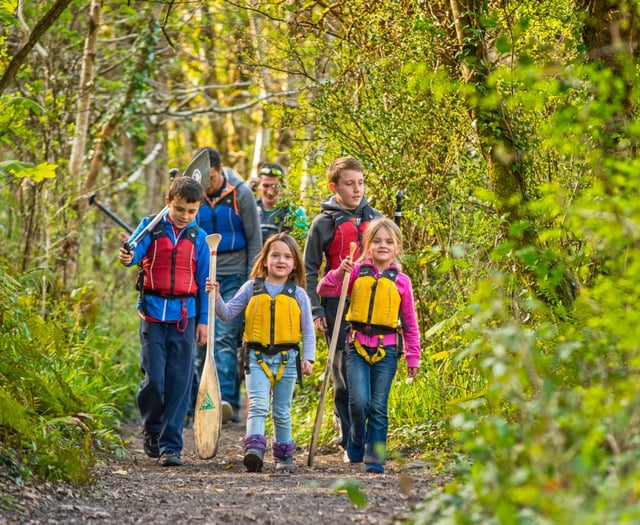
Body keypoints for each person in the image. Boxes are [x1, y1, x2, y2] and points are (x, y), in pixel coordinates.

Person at [118, 177, 210, 467]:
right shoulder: (151, 226)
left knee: (179, 383)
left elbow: (206, 282)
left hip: (185, 315)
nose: (185, 216)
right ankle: (152, 430)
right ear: (168, 202)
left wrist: (204, 321)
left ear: (198, 210)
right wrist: (127, 256)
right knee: (155, 380)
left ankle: (172, 445)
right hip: (153, 314)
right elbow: (133, 254)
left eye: (191, 211)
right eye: (180, 209)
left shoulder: (200, 239)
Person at [317, 218, 421, 474]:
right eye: (376, 241)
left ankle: (375, 456)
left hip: (386, 350)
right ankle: (355, 438)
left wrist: (412, 357)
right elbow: (324, 288)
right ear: (367, 245)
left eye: (389, 241)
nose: (382, 245)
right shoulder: (355, 271)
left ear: (397, 247)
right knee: (359, 402)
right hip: (356, 347)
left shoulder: (402, 281)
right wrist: (339, 272)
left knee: (378, 405)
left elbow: (409, 323)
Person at [207, 233, 315, 473]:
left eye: (287, 256)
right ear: (265, 260)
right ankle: (254, 450)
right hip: (256, 358)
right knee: (257, 405)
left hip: (287, 360)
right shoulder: (251, 287)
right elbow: (226, 313)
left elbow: (308, 330)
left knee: (281, 410)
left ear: (295, 263)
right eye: (274, 255)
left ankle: (283, 456)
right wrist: (215, 296)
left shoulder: (298, 294)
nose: (280, 260)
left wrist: (308, 357)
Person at [303, 156, 381, 454]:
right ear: (334, 187)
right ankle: (348, 435)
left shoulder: (376, 219)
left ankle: (370, 434)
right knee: (343, 371)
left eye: (360, 183)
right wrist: (315, 309)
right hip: (336, 302)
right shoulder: (323, 223)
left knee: (371, 368)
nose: (357, 189)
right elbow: (309, 270)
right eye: (349, 184)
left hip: (372, 303)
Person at [189, 147, 262, 424]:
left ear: (220, 171)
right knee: (199, 338)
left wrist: (252, 281)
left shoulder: (240, 194)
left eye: (211, 177)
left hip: (234, 274)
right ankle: (198, 401)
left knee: (223, 337)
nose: (206, 184)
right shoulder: (192, 194)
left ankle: (227, 401)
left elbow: (255, 238)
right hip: (202, 274)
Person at [256, 163, 308, 244]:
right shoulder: (249, 209)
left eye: (275, 186)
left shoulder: (296, 212)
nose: (270, 191)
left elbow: (302, 244)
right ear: (258, 185)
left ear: (282, 186)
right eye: (266, 186)